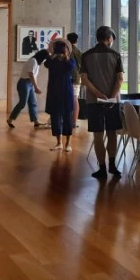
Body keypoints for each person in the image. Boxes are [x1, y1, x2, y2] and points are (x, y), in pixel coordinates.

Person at [80, 26, 124, 179]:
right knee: (112, 133)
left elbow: (84, 79)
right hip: (113, 101)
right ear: (109, 38)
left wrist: (98, 94)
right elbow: (120, 79)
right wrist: (111, 96)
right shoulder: (115, 55)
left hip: (94, 101)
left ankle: (102, 169)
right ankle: (113, 166)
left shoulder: (86, 55)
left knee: (98, 135)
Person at [44, 39, 77, 152]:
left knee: (67, 118)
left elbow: (71, 66)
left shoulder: (69, 61)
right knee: (55, 118)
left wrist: (65, 56)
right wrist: (52, 54)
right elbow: (46, 63)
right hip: (55, 93)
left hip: (65, 93)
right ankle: (59, 143)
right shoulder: (52, 61)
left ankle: (67, 143)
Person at [7, 49, 49, 129]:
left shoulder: (37, 63)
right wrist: (36, 87)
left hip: (30, 84)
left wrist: (34, 86)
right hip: (24, 83)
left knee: (33, 102)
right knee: (22, 103)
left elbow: (34, 76)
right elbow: (31, 75)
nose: (44, 61)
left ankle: (36, 121)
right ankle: (10, 120)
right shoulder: (33, 61)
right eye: (44, 59)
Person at [67, 32, 83, 126]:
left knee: (68, 99)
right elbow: (83, 63)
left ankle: (67, 120)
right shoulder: (78, 51)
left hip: (66, 77)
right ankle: (74, 122)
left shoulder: (66, 49)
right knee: (75, 99)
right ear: (76, 40)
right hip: (76, 77)